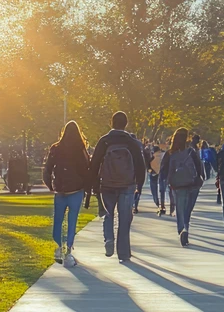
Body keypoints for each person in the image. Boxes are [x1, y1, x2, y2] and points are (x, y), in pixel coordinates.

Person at [88, 111, 146, 263]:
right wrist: (139, 184)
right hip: (127, 184)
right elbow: (140, 165)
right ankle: (124, 253)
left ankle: (108, 238)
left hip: (107, 184)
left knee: (108, 213)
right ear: (126, 124)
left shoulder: (105, 141)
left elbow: (94, 164)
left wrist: (94, 184)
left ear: (111, 123)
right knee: (125, 218)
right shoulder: (131, 142)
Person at [44, 121, 92, 268]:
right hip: (76, 190)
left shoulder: (56, 148)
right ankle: (69, 252)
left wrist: (50, 185)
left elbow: (47, 169)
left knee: (58, 220)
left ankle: (58, 247)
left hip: (60, 190)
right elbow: (87, 170)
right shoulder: (80, 149)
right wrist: (88, 190)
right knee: (72, 221)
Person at [160, 126, 205, 246]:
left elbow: (163, 170)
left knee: (180, 210)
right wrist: (201, 179)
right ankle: (186, 228)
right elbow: (199, 166)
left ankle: (182, 230)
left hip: (177, 185)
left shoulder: (170, 153)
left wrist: (166, 182)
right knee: (187, 211)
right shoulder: (191, 151)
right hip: (193, 184)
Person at [147, 141, 167, 213]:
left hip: (153, 173)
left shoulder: (152, 156)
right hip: (163, 173)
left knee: (154, 188)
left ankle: (156, 201)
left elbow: (148, 164)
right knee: (162, 190)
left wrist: (150, 170)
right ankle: (162, 204)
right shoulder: (164, 155)